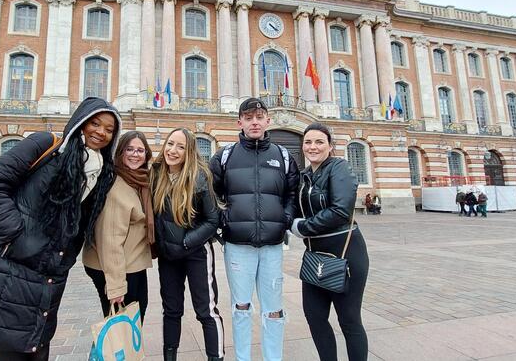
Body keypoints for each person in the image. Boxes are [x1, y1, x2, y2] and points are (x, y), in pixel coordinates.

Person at [0, 97, 121, 361]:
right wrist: (16, 233)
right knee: (22, 347)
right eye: (95, 123)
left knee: (33, 344)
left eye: (109, 129)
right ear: (80, 122)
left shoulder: (100, 172)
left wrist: (65, 257)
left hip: (49, 272)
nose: (100, 132)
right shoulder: (46, 145)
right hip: (15, 265)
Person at [209, 98, 299, 361]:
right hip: (238, 247)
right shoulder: (224, 157)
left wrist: (285, 219)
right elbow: (208, 195)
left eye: (259, 116)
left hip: (272, 247)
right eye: (249, 118)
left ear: (268, 120)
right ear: (240, 123)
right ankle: (243, 358)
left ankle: (273, 358)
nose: (255, 122)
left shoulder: (282, 156)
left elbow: (292, 193)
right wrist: (223, 221)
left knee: (273, 309)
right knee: (241, 308)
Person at [290, 123, 369, 361]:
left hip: (346, 253)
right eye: (308, 142)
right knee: (314, 316)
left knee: (349, 319)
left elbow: (340, 211)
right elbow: (292, 207)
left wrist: (302, 226)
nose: (313, 147)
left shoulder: (340, 168)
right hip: (315, 255)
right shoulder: (303, 177)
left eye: (319, 142)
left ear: (330, 146)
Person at [153, 128, 224, 361]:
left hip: (197, 253)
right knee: (171, 311)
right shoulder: (155, 174)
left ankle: (216, 357)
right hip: (168, 256)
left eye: (180, 147)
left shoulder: (200, 177)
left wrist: (186, 242)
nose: (173, 151)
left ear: (189, 152)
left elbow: (213, 219)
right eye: (170, 144)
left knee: (206, 311)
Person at [83, 130, 154, 322]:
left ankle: (114, 352)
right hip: (117, 267)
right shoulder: (116, 187)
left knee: (127, 322)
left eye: (140, 150)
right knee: (121, 327)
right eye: (129, 149)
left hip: (131, 263)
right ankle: (106, 354)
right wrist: (116, 286)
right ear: (120, 152)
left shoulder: (138, 180)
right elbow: (109, 239)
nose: (135, 154)